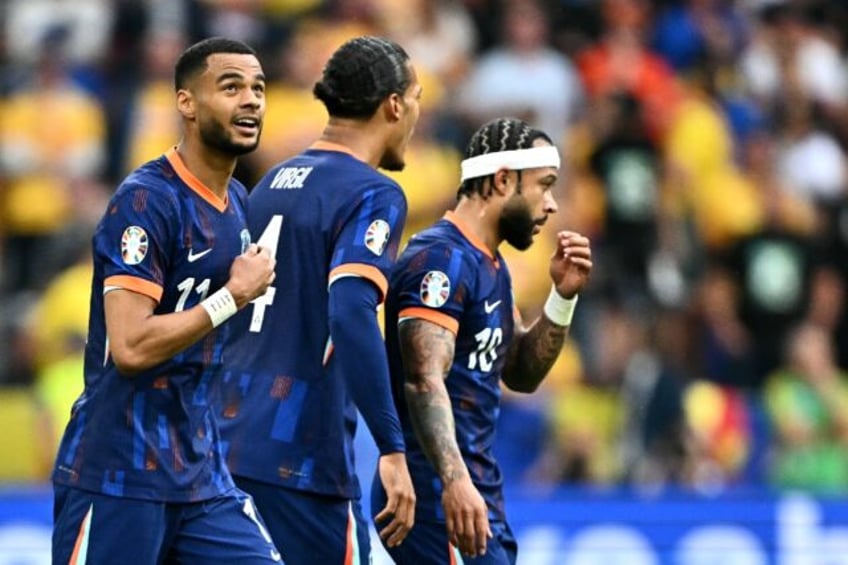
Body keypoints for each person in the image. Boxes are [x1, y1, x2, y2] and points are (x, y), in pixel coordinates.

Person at [51, 37, 281, 564]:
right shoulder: (146, 201)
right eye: (231, 87)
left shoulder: (237, 203)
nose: (250, 100)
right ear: (187, 103)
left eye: (258, 89)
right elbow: (129, 346)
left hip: (200, 473)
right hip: (119, 472)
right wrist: (232, 297)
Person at [217, 36, 421, 564]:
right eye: (416, 98)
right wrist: (393, 450)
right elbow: (351, 311)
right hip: (301, 457)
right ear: (394, 105)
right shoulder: (372, 192)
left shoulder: (268, 184)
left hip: (226, 441)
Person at [372, 117, 593, 564]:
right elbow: (423, 380)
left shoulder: (490, 265)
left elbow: (521, 373)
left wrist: (562, 298)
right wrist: (453, 481)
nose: (550, 205)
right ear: (502, 180)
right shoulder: (440, 260)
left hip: (474, 493)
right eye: (543, 186)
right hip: (434, 495)